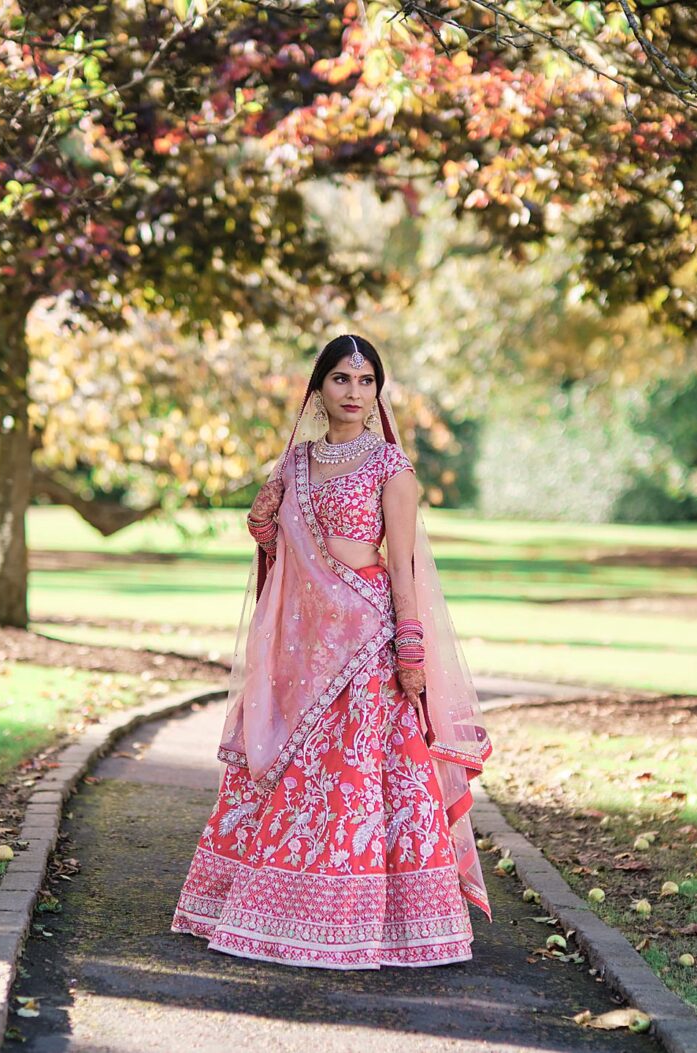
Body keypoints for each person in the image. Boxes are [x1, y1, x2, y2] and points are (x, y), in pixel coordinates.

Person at [171, 334, 494, 969]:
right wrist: (262, 520)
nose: (354, 392)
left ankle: (375, 920)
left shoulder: (391, 470)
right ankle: (272, 907)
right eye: (341, 379)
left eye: (366, 380)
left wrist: (411, 649)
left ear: (378, 391)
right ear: (318, 388)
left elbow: (401, 564)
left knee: (361, 779)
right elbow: (276, 544)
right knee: (293, 773)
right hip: (304, 644)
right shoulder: (294, 465)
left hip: (368, 642)